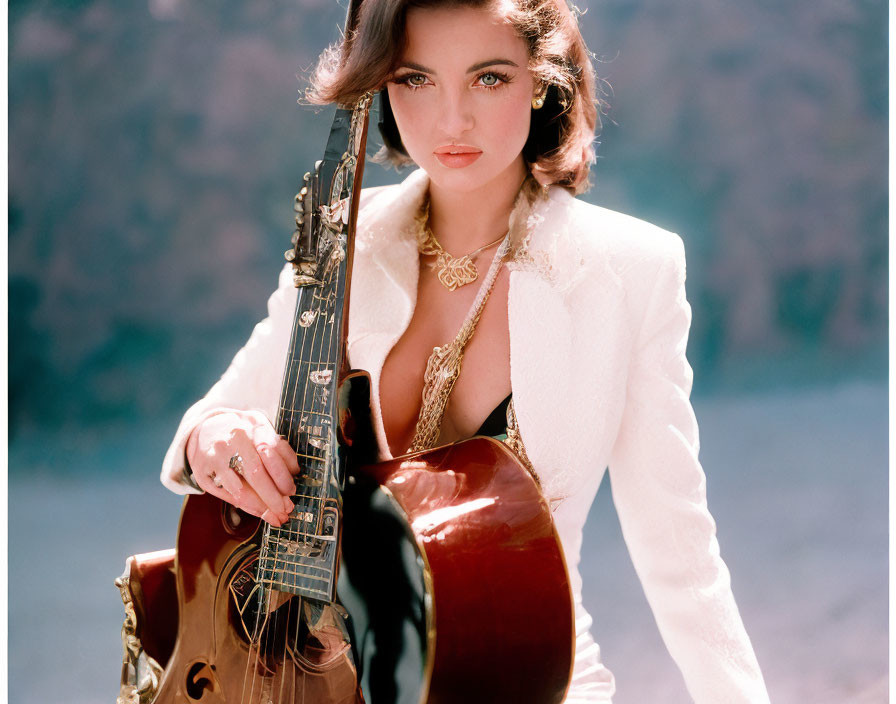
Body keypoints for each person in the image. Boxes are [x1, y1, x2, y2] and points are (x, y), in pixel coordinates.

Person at [160, 0, 771, 701]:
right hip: (331, 681)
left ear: (541, 83)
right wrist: (217, 436)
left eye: (488, 78)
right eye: (416, 79)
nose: (452, 122)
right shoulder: (344, 243)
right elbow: (212, 420)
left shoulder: (630, 272)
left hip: (531, 680)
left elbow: (680, 557)